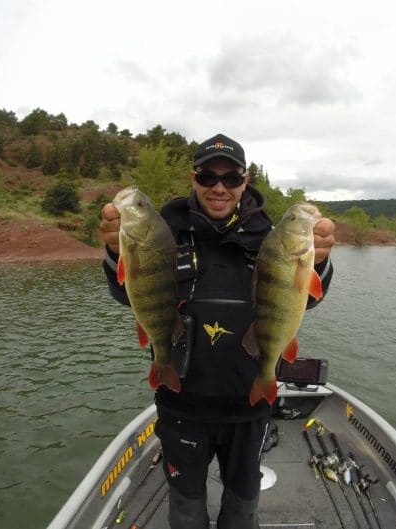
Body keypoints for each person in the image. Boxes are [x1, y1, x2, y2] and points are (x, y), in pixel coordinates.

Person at [99, 133, 335, 529]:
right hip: (181, 406)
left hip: (249, 407)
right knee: (187, 508)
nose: (219, 187)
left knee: (243, 508)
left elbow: (302, 301)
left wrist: (320, 263)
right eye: (208, 176)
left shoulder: (271, 239)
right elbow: (133, 296)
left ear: (245, 181)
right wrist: (113, 253)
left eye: (231, 177)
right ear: (193, 178)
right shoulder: (165, 234)